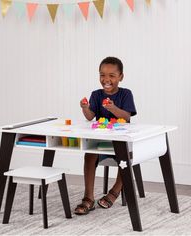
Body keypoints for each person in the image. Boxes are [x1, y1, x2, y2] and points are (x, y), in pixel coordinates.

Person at [74, 56, 137, 215]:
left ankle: (114, 192)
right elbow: (90, 117)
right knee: (89, 154)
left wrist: (113, 108)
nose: (106, 79)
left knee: (126, 157)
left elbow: (126, 117)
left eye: (111, 75)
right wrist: (85, 108)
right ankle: (88, 198)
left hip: (121, 141)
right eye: (102, 75)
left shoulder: (126, 94)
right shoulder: (96, 95)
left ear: (121, 77)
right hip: (102, 141)